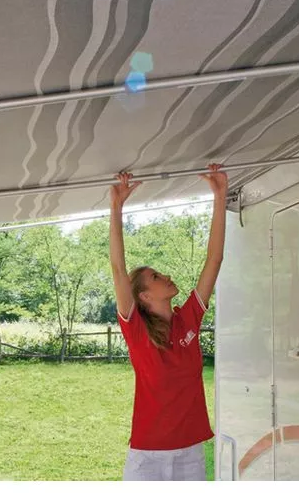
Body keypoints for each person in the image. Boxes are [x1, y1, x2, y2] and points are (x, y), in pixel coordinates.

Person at [109, 164, 227, 481]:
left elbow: (214, 260)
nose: (166, 276)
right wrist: (117, 207)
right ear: (144, 296)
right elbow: (118, 270)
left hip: (190, 453)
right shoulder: (136, 330)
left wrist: (219, 196)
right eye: (156, 277)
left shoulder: (188, 319)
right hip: (147, 456)